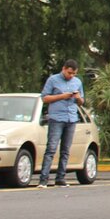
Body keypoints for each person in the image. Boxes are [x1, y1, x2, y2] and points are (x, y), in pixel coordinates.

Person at [38, 60, 85, 188]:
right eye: (69, 73)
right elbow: (45, 98)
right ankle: (43, 179)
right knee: (51, 149)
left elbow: (82, 102)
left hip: (71, 118)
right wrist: (62, 96)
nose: (71, 76)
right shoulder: (53, 80)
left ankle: (60, 178)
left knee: (66, 150)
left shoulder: (77, 82)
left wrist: (78, 98)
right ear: (64, 69)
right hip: (57, 118)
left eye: (74, 74)